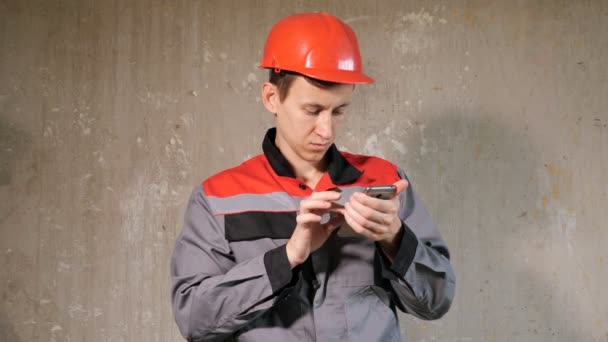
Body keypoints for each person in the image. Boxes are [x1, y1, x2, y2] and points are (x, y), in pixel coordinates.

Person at [170, 12, 455, 342]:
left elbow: (436, 302)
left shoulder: (384, 181)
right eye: (313, 110)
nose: (327, 129)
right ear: (271, 98)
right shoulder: (218, 198)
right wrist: (288, 257)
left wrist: (394, 238)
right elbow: (194, 319)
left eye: (339, 111)